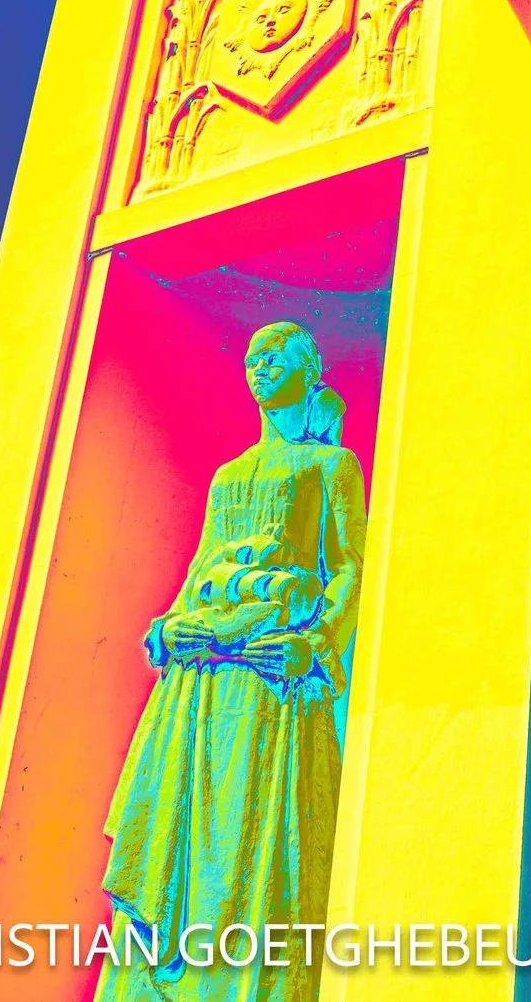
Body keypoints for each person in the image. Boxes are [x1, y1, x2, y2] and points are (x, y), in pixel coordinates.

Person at [97, 321, 368, 1002]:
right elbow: (201, 568)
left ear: (309, 367)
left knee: (255, 838)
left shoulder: (330, 466)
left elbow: (348, 568)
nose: (259, 364)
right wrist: (168, 628)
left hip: (271, 676)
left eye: (275, 354)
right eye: (251, 357)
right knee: (182, 833)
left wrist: (316, 641)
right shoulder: (228, 475)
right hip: (202, 681)